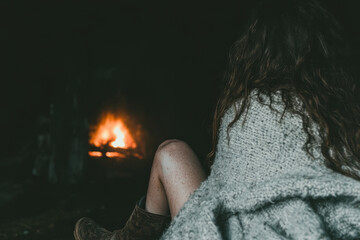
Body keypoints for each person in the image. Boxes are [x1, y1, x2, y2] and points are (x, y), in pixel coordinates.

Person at [74, 0, 360, 239]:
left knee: (171, 153)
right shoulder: (345, 115)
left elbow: (220, 198)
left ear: (255, 54)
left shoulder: (253, 109)